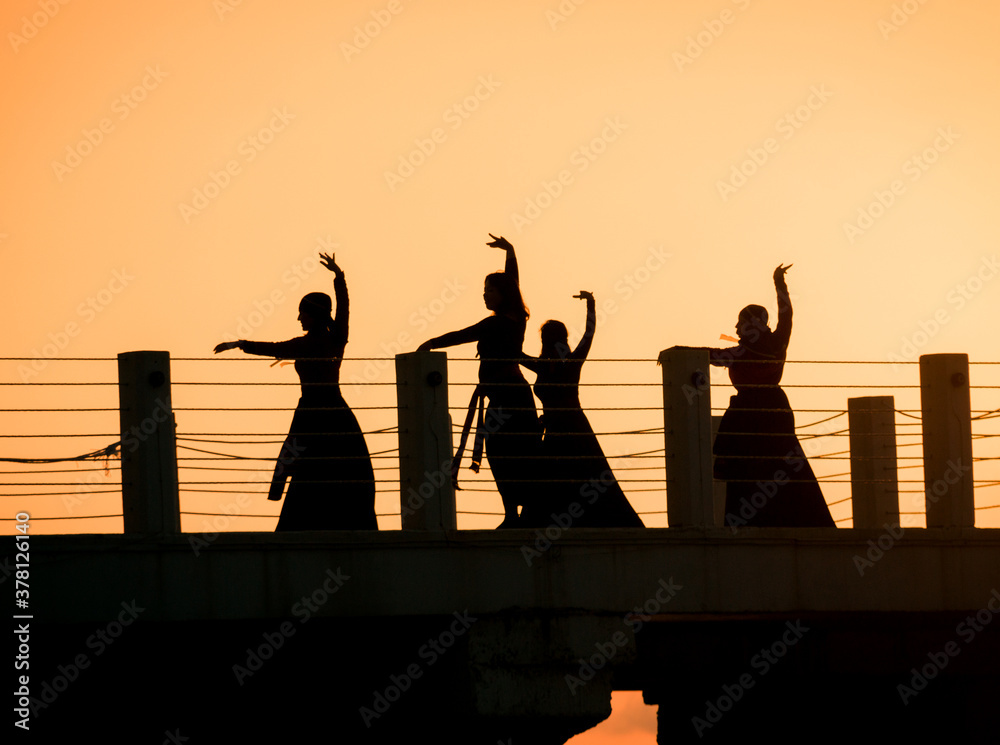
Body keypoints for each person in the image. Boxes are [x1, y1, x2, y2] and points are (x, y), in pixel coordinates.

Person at [213, 252, 377, 530]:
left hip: (312, 412)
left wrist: (239, 343)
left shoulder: (309, 344)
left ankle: (283, 497)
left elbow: (273, 347)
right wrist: (340, 277)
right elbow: (344, 309)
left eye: (302, 312)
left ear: (313, 315)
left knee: (297, 456)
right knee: (339, 462)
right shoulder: (336, 339)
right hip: (337, 412)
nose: (298, 317)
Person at [417, 234, 542, 528]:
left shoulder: (496, 323)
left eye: (488, 290)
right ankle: (519, 514)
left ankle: (514, 515)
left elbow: (463, 334)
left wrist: (431, 342)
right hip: (513, 396)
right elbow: (514, 282)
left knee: (502, 455)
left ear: (502, 294)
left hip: (505, 397)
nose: (484, 295)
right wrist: (510, 252)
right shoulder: (516, 318)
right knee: (516, 454)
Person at [708, 264, 834, 528]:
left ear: (751, 324)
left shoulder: (741, 353)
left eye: (740, 322)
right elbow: (787, 314)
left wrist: (683, 354)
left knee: (747, 473)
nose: (735, 327)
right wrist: (779, 284)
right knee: (785, 470)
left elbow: (710, 355)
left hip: (747, 416)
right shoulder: (777, 344)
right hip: (776, 412)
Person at [521, 291, 644, 528]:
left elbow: (588, 335)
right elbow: (587, 334)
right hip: (568, 428)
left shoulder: (549, 366)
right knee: (585, 477)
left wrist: (591, 305)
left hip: (564, 429)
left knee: (561, 478)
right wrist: (591, 304)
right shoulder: (558, 365)